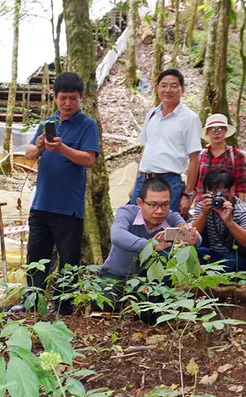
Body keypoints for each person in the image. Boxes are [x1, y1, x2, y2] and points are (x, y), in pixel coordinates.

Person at [22, 72, 100, 314]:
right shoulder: (48, 122)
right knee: (36, 256)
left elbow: (88, 159)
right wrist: (41, 146)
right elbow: (29, 153)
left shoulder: (87, 125)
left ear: (81, 98)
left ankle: (63, 305)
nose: (68, 104)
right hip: (41, 203)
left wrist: (62, 148)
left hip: (69, 207)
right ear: (55, 97)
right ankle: (32, 301)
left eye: (73, 99)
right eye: (63, 98)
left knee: (68, 259)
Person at [98, 178, 198, 314]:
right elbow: (117, 235)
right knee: (104, 305)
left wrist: (192, 237)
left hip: (154, 279)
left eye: (165, 205)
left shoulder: (172, 218)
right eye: (153, 205)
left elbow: (192, 236)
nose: (159, 211)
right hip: (117, 274)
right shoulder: (127, 213)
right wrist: (151, 246)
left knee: (153, 313)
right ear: (140, 203)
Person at [128, 69, 202, 211]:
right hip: (143, 181)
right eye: (163, 85)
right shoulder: (152, 114)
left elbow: (194, 159)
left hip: (169, 182)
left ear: (183, 90)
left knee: (164, 227)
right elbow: (145, 150)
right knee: (135, 224)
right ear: (157, 88)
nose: (168, 90)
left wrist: (187, 193)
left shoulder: (190, 119)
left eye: (173, 86)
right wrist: (135, 184)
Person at [190, 169, 246, 276]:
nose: (215, 197)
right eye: (210, 192)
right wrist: (203, 215)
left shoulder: (242, 210)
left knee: (229, 262)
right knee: (192, 255)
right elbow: (190, 237)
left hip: (244, 257)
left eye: (218, 192)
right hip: (216, 254)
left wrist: (229, 222)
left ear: (232, 190)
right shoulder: (204, 207)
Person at [195, 114, 246, 200]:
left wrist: (239, 208)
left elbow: (241, 185)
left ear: (225, 131)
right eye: (212, 130)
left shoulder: (236, 155)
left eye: (220, 129)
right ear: (207, 133)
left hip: (228, 205)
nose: (216, 133)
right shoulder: (200, 156)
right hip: (203, 204)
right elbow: (195, 185)